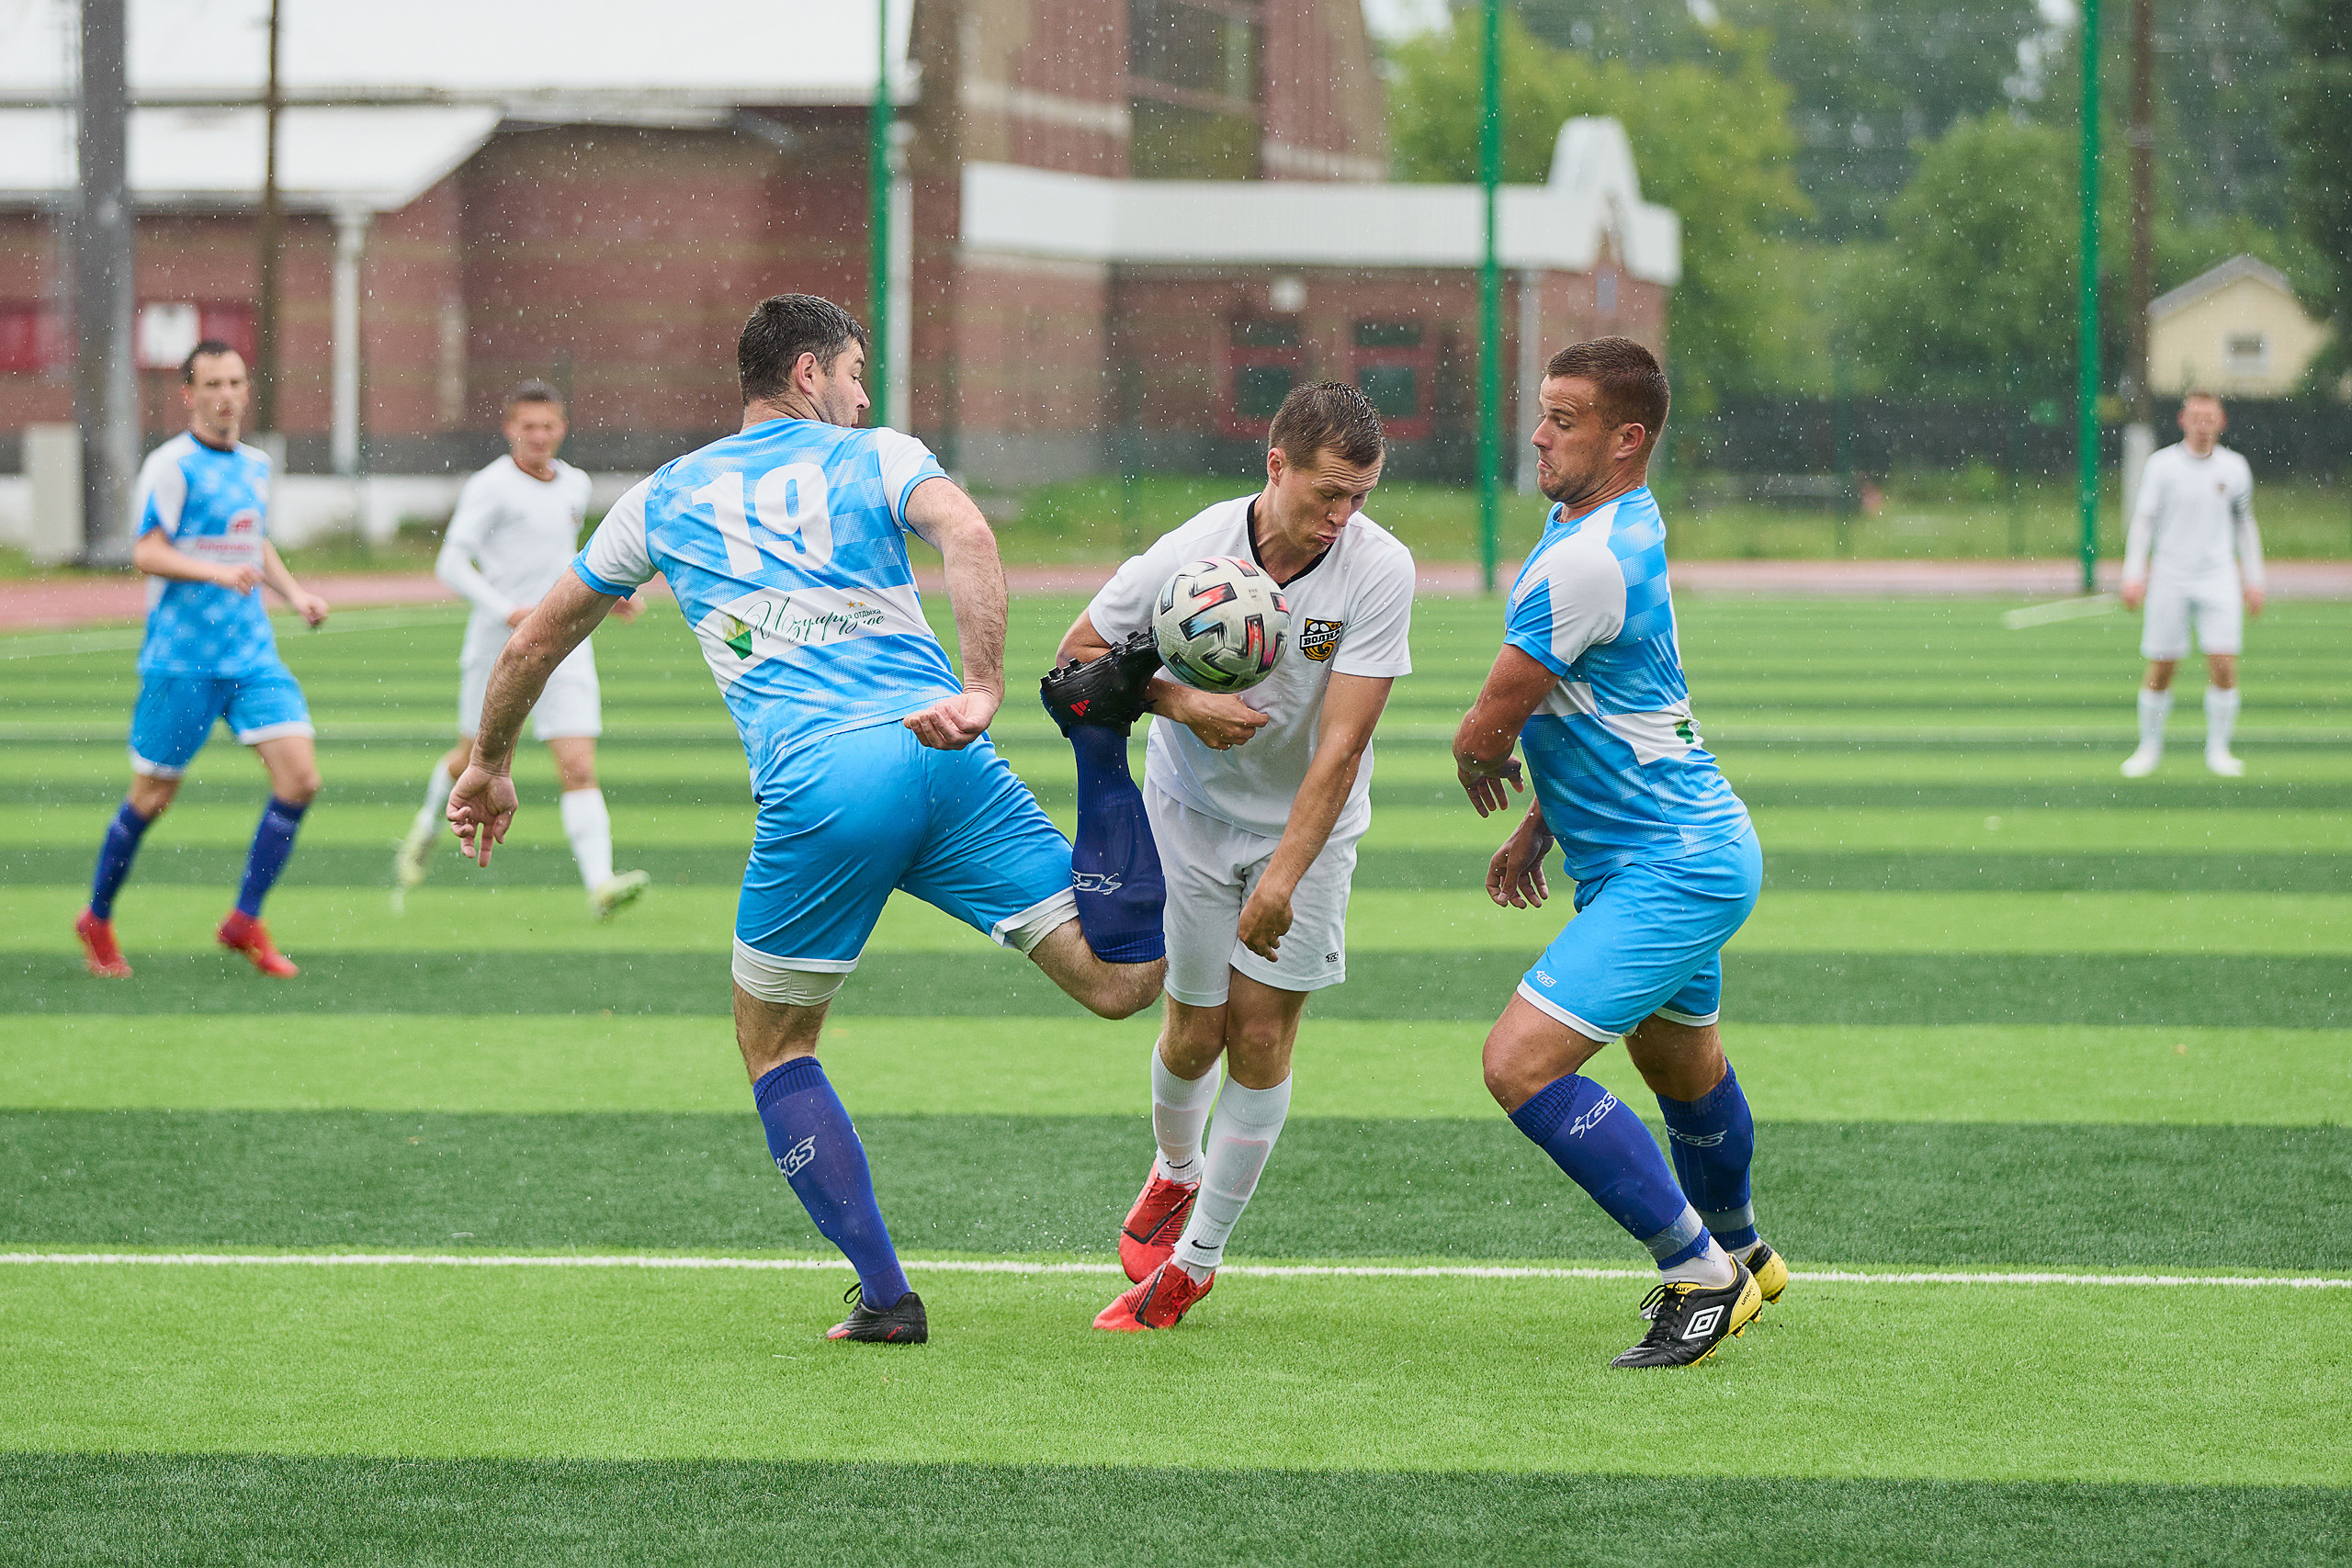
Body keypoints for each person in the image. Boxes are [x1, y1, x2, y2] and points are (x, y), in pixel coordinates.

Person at [445, 294, 1168, 1346]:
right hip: (943, 754)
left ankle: (886, 1297)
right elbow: (965, 527)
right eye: (853, 370)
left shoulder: (660, 497)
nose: (864, 391)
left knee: (776, 1046)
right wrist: (980, 687)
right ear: (804, 375)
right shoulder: (877, 454)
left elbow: (532, 645)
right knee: (1122, 982)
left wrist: (491, 763)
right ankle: (1101, 745)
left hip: (826, 786)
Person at [1050, 382, 1415, 1333]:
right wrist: (1182, 702)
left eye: (1360, 497)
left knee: (1260, 1035)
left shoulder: (1378, 571)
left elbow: (1340, 747)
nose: (1342, 517)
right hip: (1191, 812)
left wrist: (1286, 877)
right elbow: (1077, 656)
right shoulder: (1190, 551)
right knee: (1191, 1029)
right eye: (1326, 493)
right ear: (1274, 465)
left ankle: (1195, 1265)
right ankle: (1174, 1173)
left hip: (1309, 826)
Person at [1452, 337, 1782, 1369]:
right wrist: (1544, 821)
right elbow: (1603, 703)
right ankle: (1744, 1249)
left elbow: (1494, 716)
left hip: (1670, 864)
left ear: (1626, 437)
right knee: (1681, 1068)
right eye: (1541, 412)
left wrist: (1475, 758)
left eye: (1564, 418)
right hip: (1672, 847)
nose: (1539, 434)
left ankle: (1698, 1273)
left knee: (1518, 1065)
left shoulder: (1588, 555)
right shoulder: (1598, 526)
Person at [73, 341, 330, 981]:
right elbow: (147, 552)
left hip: (250, 655)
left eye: (234, 382)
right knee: (153, 796)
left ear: (247, 391)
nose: (224, 394)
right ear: (189, 394)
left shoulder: (257, 465)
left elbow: (255, 537)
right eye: (211, 383)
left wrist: (294, 594)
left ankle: (244, 918)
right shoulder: (172, 466)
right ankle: (97, 917)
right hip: (181, 661)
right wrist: (214, 573)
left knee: (300, 779)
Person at [393, 382, 650, 917]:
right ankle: (425, 826)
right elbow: (451, 565)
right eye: (527, 427)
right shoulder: (491, 487)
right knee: (472, 758)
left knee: (577, 766)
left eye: (548, 426)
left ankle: (600, 884)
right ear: (510, 429)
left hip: (564, 641)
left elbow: (565, 557)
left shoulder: (575, 484)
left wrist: (610, 595)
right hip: (498, 646)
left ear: (562, 428)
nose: (539, 436)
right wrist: (508, 609)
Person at [2119, 392, 2265, 778]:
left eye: (2210, 417)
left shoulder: (2235, 468)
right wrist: (2133, 574)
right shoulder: (2162, 466)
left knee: (2223, 664)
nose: (2203, 425)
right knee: (2163, 666)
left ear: (2222, 422)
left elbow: (2244, 526)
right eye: (2196, 417)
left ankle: (2218, 750)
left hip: (2218, 578)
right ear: (2183, 420)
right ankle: (2148, 748)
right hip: (2170, 577)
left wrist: (2254, 580)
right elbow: (2144, 521)